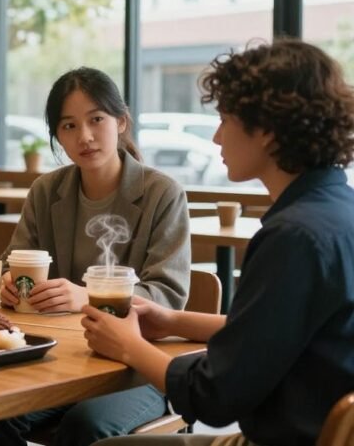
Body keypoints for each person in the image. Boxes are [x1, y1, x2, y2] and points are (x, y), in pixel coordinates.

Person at [86, 39, 354, 446]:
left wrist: (129, 346)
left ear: (265, 130)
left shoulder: (293, 237)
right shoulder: (339, 211)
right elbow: (283, 332)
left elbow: (213, 397)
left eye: (225, 119)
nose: (215, 137)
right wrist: (175, 321)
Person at [0, 67, 191, 446]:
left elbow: (167, 296)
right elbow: (10, 263)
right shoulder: (47, 190)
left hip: (138, 366)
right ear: (57, 134)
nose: (84, 136)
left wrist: (89, 296)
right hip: (64, 360)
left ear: (121, 121)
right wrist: (6, 284)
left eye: (96, 119)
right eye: (68, 126)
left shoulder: (162, 193)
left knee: (85, 426)